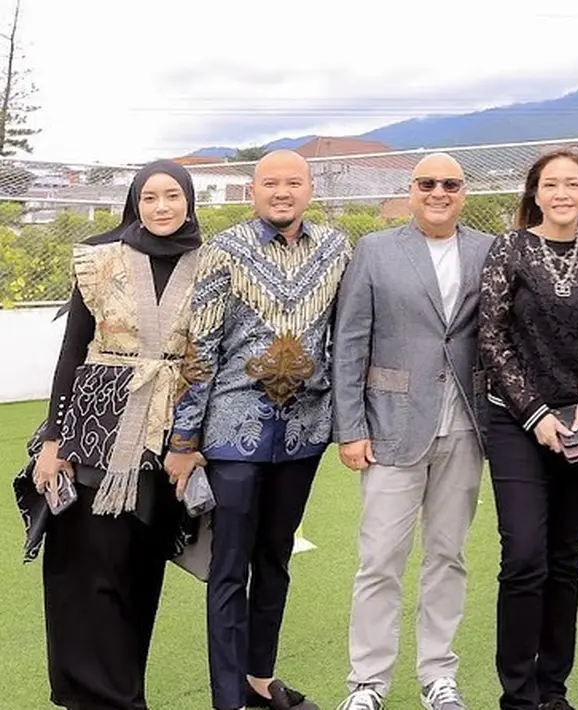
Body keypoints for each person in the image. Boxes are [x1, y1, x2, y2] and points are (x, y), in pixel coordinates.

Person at [166, 149, 352, 710]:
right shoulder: (223, 252)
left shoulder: (338, 250)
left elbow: (348, 338)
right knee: (229, 568)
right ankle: (229, 699)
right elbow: (198, 349)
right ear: (253, 191)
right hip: (233, 431)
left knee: (275, 560)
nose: (281, 192)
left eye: (293, 182)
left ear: (309, 190)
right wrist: (183, 440)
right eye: (270, 182)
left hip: (304, 432)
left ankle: (259, 679)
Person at [20, 160, 203, 709]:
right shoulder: (100, 261)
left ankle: (125, 691)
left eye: (173, 196)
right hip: (93, 432)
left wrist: (190, 446)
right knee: (83, 568)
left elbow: (212, 355)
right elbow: (71, 352)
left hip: (166, 438)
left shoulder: (214, 265)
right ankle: (90, 696)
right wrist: (53, 440)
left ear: (190, 201)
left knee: (138, 572)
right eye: (149, 197)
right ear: (135, 203)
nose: (162, 207)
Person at [332, 153, 496, 710]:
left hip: (466, 429)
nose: (438, 192)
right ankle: (367, 683)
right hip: (391, 429)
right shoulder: (375, 252)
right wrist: (350, 428)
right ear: (411, 190)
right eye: (428, 183)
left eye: (450, 183)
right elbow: (350, 342)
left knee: (447, 556)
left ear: (464, 192)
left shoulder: (486, 250)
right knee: (380, 559)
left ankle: (438, 677)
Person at [477, 147, 578, 710]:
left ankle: (552, 690)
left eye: (573, 184)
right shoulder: (509, 249)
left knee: (565, 557)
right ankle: (516, 695)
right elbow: (491, 338)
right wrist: (535, 414)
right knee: (523, 555)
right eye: (550, 184)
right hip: (518, 422)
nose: (562, 194)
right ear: (535, 194)